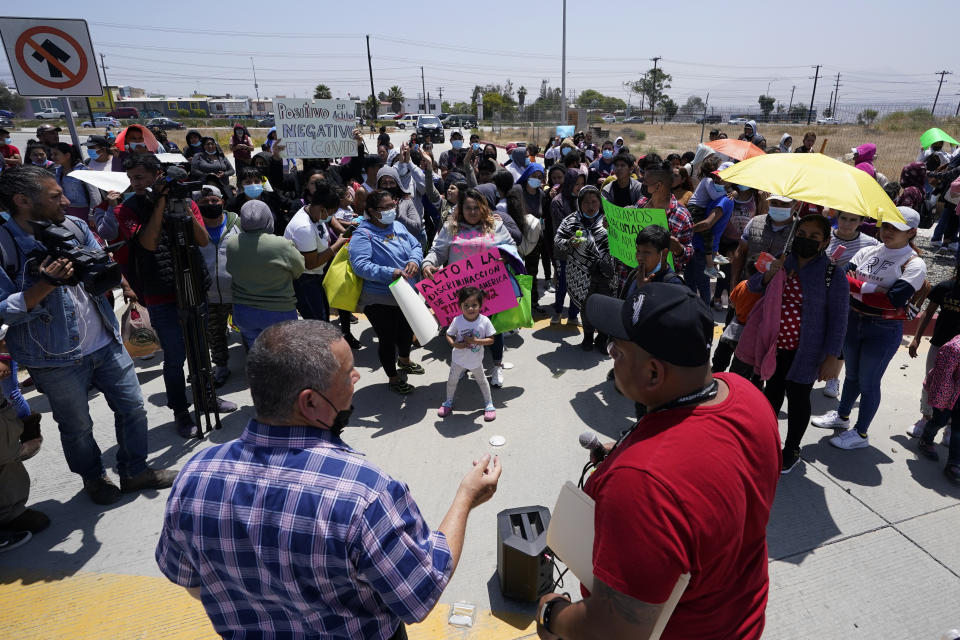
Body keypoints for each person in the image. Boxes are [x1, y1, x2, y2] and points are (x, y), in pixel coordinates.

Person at [156, 320, 502, 640]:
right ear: (310, 402)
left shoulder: (193, 477)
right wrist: (465, 499)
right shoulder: (364, 494)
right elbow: (423, 589)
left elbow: (189, 580)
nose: (357, 381)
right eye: (349, 374)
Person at [535, 284, 779, 640]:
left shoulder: (642, 486)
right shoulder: (745, 395)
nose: (611, 358)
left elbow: (614, 631)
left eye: (616, 351)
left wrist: (552, 613)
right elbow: (702, 460)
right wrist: (626, 452)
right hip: (738, 619)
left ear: (653, 374)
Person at [0, 166, 177, 505]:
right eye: (55, 196)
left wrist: (117, 278)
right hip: (53, 358)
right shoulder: (5, 246)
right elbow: (3, 308)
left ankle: (134, 470)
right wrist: (44, 284)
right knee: (77, 425)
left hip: (104, 339)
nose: (66, 200)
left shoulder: (75, 225)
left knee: (133, 408)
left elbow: (102, 263)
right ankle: (94, 479)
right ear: (22, 201)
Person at [110, 154, 237, 438]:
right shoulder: (127, 209)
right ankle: (181, 410)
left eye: (140, 178)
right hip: (160, 291)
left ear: (157, 175)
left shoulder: (187, 201)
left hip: (194, 284)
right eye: (131, 179)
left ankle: (207, 398)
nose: (135, 184)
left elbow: (202, 239)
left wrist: (182, 207)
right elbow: (148, 243)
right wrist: (161, 204)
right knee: (176, 355)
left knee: (200, 348)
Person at [736, 215, 849, 473]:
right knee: (771, 396)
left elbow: (839, 319)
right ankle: (766, 442)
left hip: (807, 351)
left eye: (814, 237)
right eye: (802, 233)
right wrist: (769, 274)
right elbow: (753, 286)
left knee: (798, 400)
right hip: (773, 346)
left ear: (825, 242)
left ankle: (792, 448)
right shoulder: (781, 260)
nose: (806, 240)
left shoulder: (833, 274)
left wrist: (833, 356)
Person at [812, 207, 929, 450]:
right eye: (886, 225)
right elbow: (840, 280)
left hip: (883, 329)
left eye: (896, 227)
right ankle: (843, 417)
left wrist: (858, 285)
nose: (888, 231)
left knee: (868, 382)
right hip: (854, 321)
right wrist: (875, 289)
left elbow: (894, 300)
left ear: (912, 232)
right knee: (851, 375)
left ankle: (861, 433)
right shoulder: (868, 250)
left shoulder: (914, 263)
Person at [423, 188, 517, 388]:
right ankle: (463, 365)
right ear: (460, 209)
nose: (473, 212)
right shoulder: (451, 227)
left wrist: (507, 256)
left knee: (493, 329)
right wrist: (428, 264)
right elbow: (437, 251)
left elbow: (512, 247)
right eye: (468, 208)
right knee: (463, 329)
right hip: (461, 292)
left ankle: (497, 365)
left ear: (483, 208)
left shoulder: (495, 225)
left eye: (476, 208)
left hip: (491, 288)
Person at [350, 189, 426, 395]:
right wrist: (391, 273)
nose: (392, 210)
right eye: (386, 208)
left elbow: (416, 246)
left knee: (406, 331)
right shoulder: (362, 234)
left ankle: (405, 360)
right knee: (387, 337)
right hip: (379, 298)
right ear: (373, 212)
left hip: (405, 293)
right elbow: (361, 266)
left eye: (392, 205)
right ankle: (393, 378)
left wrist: (414, 261)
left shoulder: (398, 225)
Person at [225, 199, 304, 347]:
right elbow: (299, 269)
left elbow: (231, 269)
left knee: (257, 354)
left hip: (244, 311)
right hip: (279, 311)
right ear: (268, 218)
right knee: (282, 356)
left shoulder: (232, 242)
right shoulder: (282, 244)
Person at [820, 211, 880, 398]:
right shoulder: (824, 235)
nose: (847, 223)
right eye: (843, 218)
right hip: (820, 294)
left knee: (841, 337)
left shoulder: (871, 244)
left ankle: (833, 379)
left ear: (862, 221)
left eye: (853, 219)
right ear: (837, 218)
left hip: (849, 299)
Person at [554, 185, 614, 351]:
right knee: (586, 307)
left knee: (604, 307)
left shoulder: (608, 219)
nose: (590, 205)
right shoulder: (570, 221)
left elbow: (623, 242)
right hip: (580, 274)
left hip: (606, 273)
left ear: (600, 203)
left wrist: (613, 231)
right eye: (586, 202)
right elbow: (557, 241)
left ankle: (602, 338)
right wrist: (569, 243)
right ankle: (588, 337)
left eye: (594, 201)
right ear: (579, 203)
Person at [284, 182, 349, 326]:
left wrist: (342, 231)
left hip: (318, 275)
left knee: (323, 318)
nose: (332, 216)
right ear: (321, 208)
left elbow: (330, 219)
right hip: (306, 279)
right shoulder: (304, 228)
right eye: (331, 212)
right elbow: (311, 264)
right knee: (317, 323)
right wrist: (337, 244)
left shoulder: (313, 212)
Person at [907, 265, 960, 441]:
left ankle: (950, 427)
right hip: (940, 346)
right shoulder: (945, 287)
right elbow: (928, 312)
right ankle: (925, 418)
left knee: (957, 390)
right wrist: (916, 338)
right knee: (930, 382)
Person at [196, 185, 240, 388]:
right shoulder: (194, 227)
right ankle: (221, 368)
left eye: (214, 200)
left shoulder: (237, 223)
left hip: (239, 292)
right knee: (215, 335)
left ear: (222, 201)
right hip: (209, 295)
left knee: (247, 331)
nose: (210, 204)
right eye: (205, 202)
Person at [439, 286, 497, 421]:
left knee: (482, 381)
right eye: (466, 305)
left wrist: (476, 340)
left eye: (474, 305)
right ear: (460, 306)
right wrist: (454, 344)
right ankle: (448, 402)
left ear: (480, 306)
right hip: (458, 359)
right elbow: (448, 334)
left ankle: (489, 404)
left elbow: (491, 340)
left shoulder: (484, 321)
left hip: (476, 361)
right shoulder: (457, 320)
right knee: (452, 381)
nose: (470, 308)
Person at [911, 333, 960, 483]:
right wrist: (942, 401)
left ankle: (954, 462)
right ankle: (927, 438)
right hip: (947, 395)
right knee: (940, 421)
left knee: (959, 430)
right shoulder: (954, 348)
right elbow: (942, 378)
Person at [636, 162, 695, 277]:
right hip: (632, 277)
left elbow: (688, 255)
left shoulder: (681, 216)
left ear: (658, 185)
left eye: (646, 182)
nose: (642, 183)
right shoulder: (641, 203)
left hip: (660, 283)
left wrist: (679, 250)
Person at [731, 195, 795, 286]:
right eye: (774, 203)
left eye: (784, 204)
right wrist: (733, 286)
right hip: (750, 288)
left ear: (795, 205)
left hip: (780, 293)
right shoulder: (755, 222)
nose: (778, 207)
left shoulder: (800, 230)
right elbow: (740, 253)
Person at [550, 168, 586, 325]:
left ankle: (572, 315)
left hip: (581, 252)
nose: (579, 187)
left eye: (582, 184)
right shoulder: (558, 202)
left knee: (577, 285)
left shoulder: (584, 201)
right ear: (569, 183)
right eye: (576, 183)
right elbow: (559, 228)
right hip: (564, 251)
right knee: (562, 284)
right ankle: (558, 311)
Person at [50, 142, 100, 221]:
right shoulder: (57, 172)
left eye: (56, 154)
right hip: (66, 213)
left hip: (84, 213)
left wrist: (92, 214)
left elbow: (95, 196)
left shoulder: (84, 171)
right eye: (52, 154)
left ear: (67, 155)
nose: (52, 157)